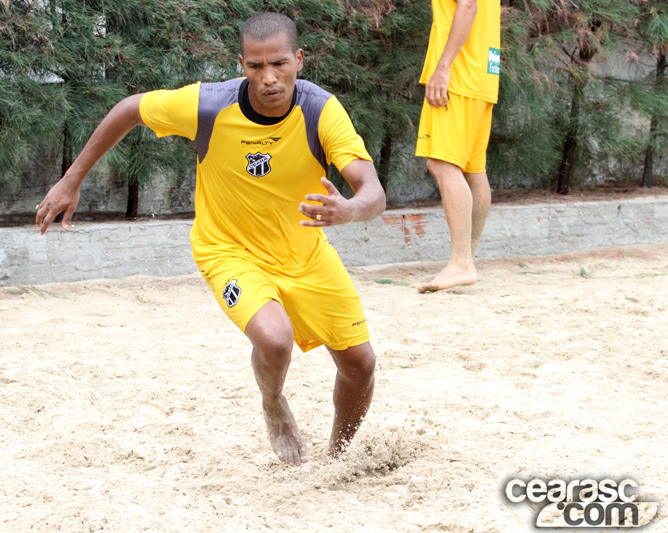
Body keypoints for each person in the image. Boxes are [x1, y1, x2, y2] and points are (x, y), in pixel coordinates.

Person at [35, 12, 386, 466]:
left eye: (279, 64)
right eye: (256, 67)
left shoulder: (321, 110)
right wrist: (71, 180)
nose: (269, 78)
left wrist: (351, 209)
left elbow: (373, 192)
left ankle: (336, 462)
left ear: (299, 59)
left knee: (361, 365)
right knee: (275, 340)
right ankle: (273, 402)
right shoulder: (207, 105)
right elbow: (129, 109)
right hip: (228, 250)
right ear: (241, 64)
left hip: (305, 254)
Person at [415, 0, 500, 292]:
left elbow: (467, 7)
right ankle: (466, 261)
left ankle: (461, 262)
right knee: (473, 170)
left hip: (460, 75)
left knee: (441, 163)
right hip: (482, 74)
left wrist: (443, 67)